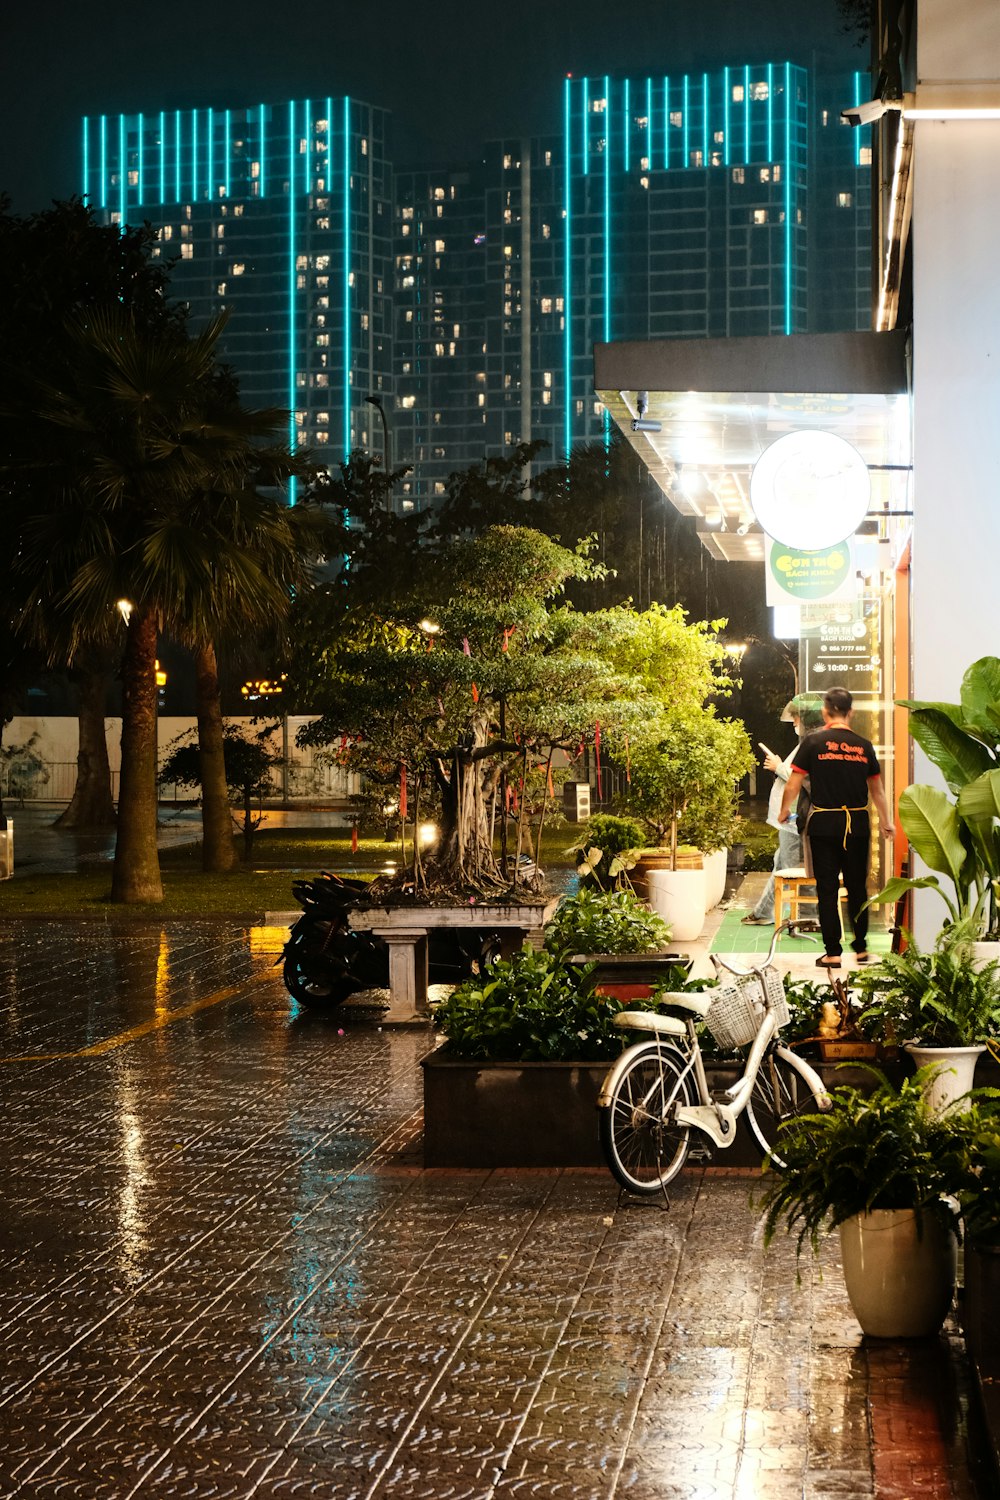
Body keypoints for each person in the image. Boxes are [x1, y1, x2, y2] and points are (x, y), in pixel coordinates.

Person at [778, 686, 895, 969]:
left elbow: (794, 783)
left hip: (824, 823)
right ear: (851, 712)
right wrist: (888, 822)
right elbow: (877, 791)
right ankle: (862, 950)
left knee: (827, 889)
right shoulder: (864, 745)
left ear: (825, 711)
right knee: (857, 888)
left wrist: (784, 811)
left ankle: (832, 953)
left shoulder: (813, 742)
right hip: (857, 823)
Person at [741, 694, 824, 926]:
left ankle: (807, 916)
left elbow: (806, 779)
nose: (794, 723)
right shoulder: (809, 741)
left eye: (797, 717)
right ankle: (764, 912)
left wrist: (779, 767)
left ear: (806, 718)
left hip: (796, 817)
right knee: (783, 863)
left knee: (793, 867)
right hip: (792, 818)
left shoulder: (813, 742)